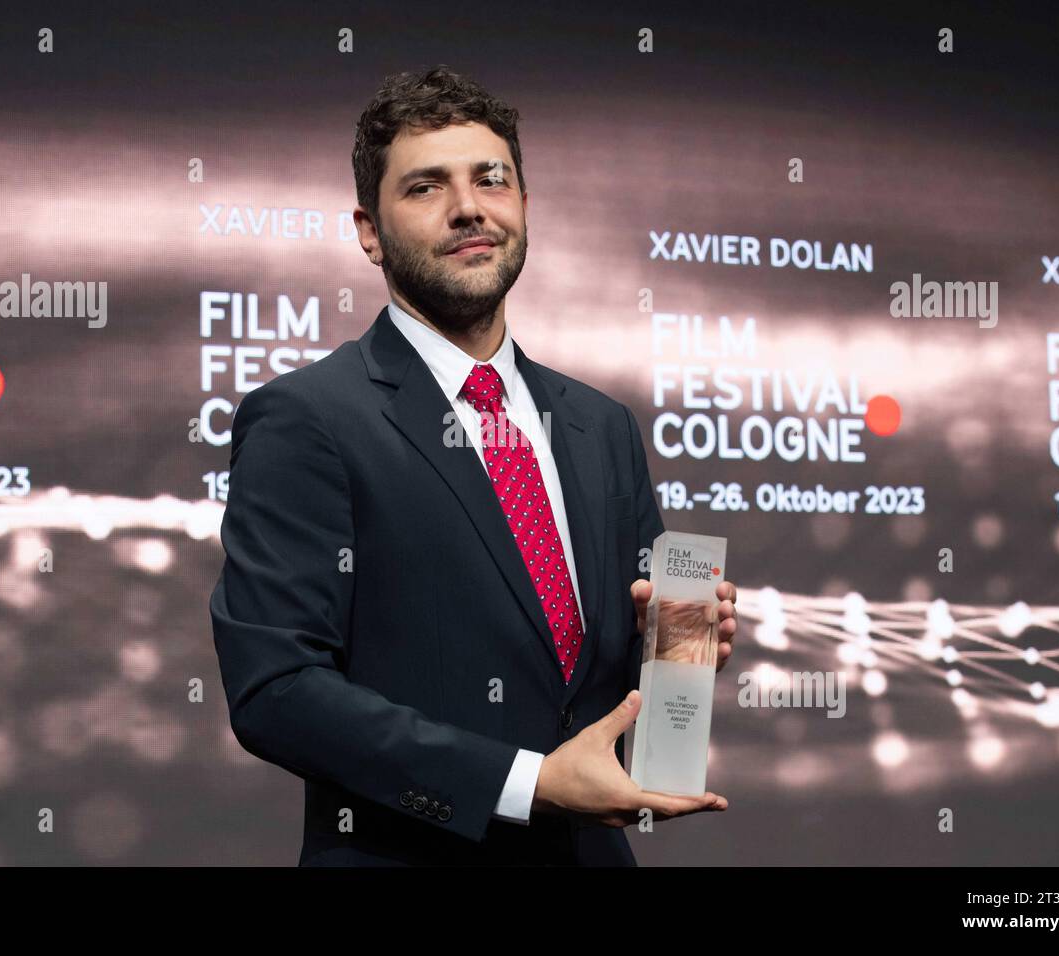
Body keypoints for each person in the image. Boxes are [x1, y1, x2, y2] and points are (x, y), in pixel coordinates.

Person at [209, 65, 738, 866]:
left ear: (523, 205)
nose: (468, 207)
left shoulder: (602, 426)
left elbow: (588, 694)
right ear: (368, 230)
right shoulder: (307, 419)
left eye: (492, 179)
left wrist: (674, 652)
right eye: (425, 188)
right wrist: (527, 783)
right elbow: (276, 692)